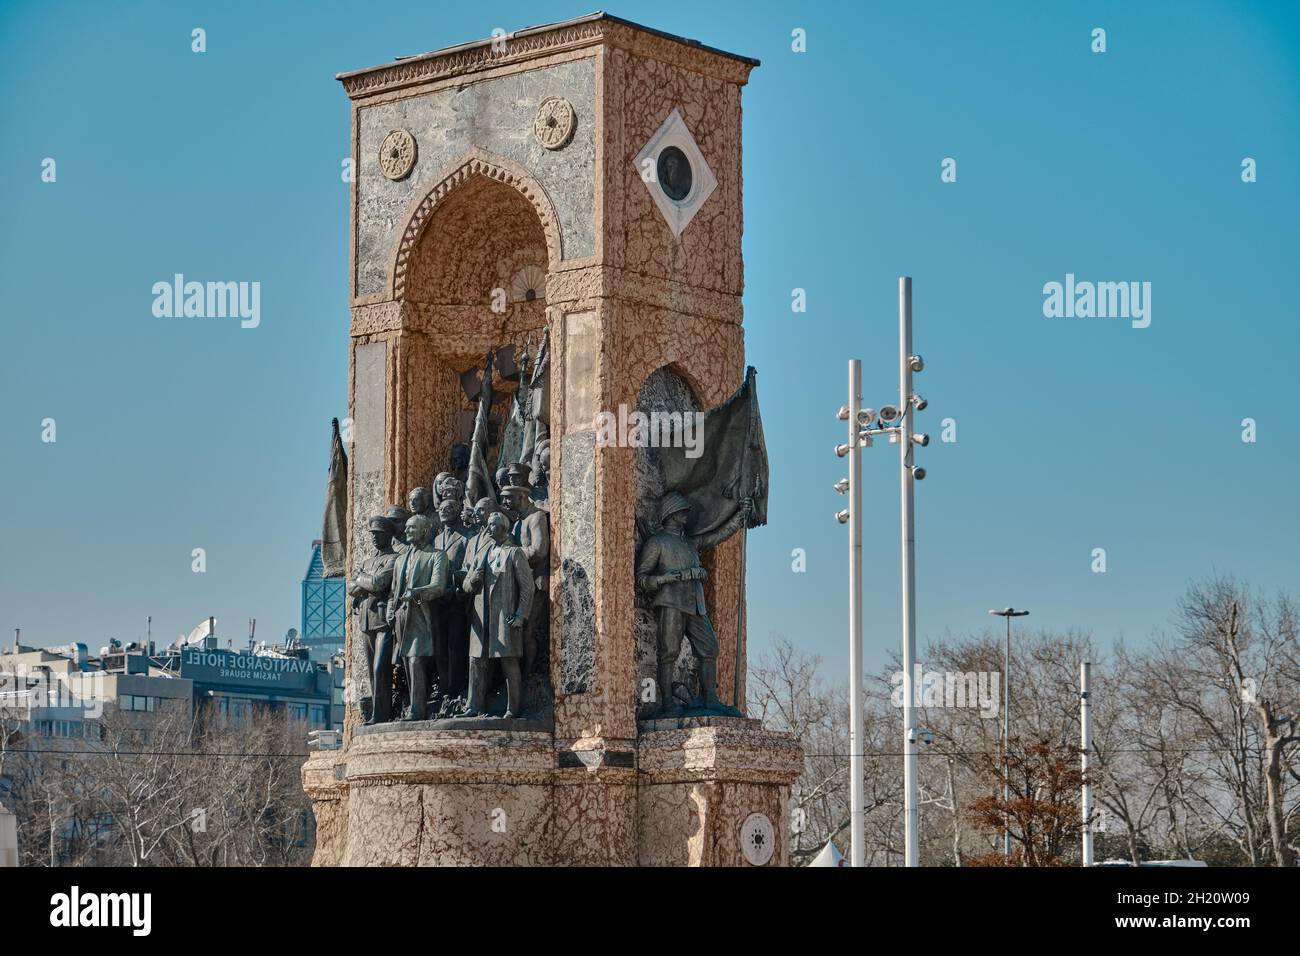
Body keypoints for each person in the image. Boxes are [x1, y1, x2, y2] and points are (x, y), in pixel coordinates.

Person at [636, 491, 751, 715]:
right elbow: (642, 578)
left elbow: (718, 536)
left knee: (710, 648)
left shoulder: (690, 542)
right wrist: (671, 577)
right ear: (670, 513)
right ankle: (668, 703)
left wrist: (741, 515)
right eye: (682, 511)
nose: (686, 514)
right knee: (669, 652)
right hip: (671, 603)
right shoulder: (657, 542)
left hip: (696, 605)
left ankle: (710, 699)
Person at [461, 512, 532, 719]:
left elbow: (527, 588)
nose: (488, 528)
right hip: (481, 618)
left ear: (503, 528)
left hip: (504, 617)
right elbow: (466, 583)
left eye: (492, 525)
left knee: (508, 661)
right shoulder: (483, 552)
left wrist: (520, 615)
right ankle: (474, 706)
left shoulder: (515, 553)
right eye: (489, 525)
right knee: (476, 661)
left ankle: (513, 708)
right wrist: (472, 581)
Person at [386, 514, 449, 721]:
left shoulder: (436, 556)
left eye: (411, 528)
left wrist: (416, 592)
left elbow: (438, 586)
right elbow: (394, 590)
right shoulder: (400, 559)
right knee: (406, 662)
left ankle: (417, 709)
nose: (406, 532)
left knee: (416, 661)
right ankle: (414, 704)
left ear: (423, 531)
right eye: (406, 528)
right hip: (401, 617)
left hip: (422, 614)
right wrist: (390, 611)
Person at [347, 515, 399, 724]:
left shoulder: (393, 559)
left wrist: (362, 579)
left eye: (379, 534)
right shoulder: (368, 561)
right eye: (373, 535)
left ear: (388, 535)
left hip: (383, 621)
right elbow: (350, 588)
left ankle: (382, 713)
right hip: (366, 620)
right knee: (371, 670)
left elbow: (378, 583)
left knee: (380, 669)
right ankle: (377, 714)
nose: (375, 538)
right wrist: (365, 582)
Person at [501, 463, 548, 679]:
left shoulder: (536, 517)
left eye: (509, 498)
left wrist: (514, 555)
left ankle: (528, 674)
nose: (505, 502)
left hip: (536, 581)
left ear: (521, 497)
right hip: (518, 582)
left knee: (529, 630)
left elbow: (539, 550)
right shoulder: (516, 521)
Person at [432, 498, 469, 700]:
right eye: (441, 509)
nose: (444, 512)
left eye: (448, 509)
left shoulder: (465, 537)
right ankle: (443, 686)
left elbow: (466, 565)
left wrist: (457, 587)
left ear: (456, 512)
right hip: (439, 600)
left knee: (456, 645)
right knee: (440, 647)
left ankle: (455, 688)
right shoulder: (436, 540)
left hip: (457, 599)